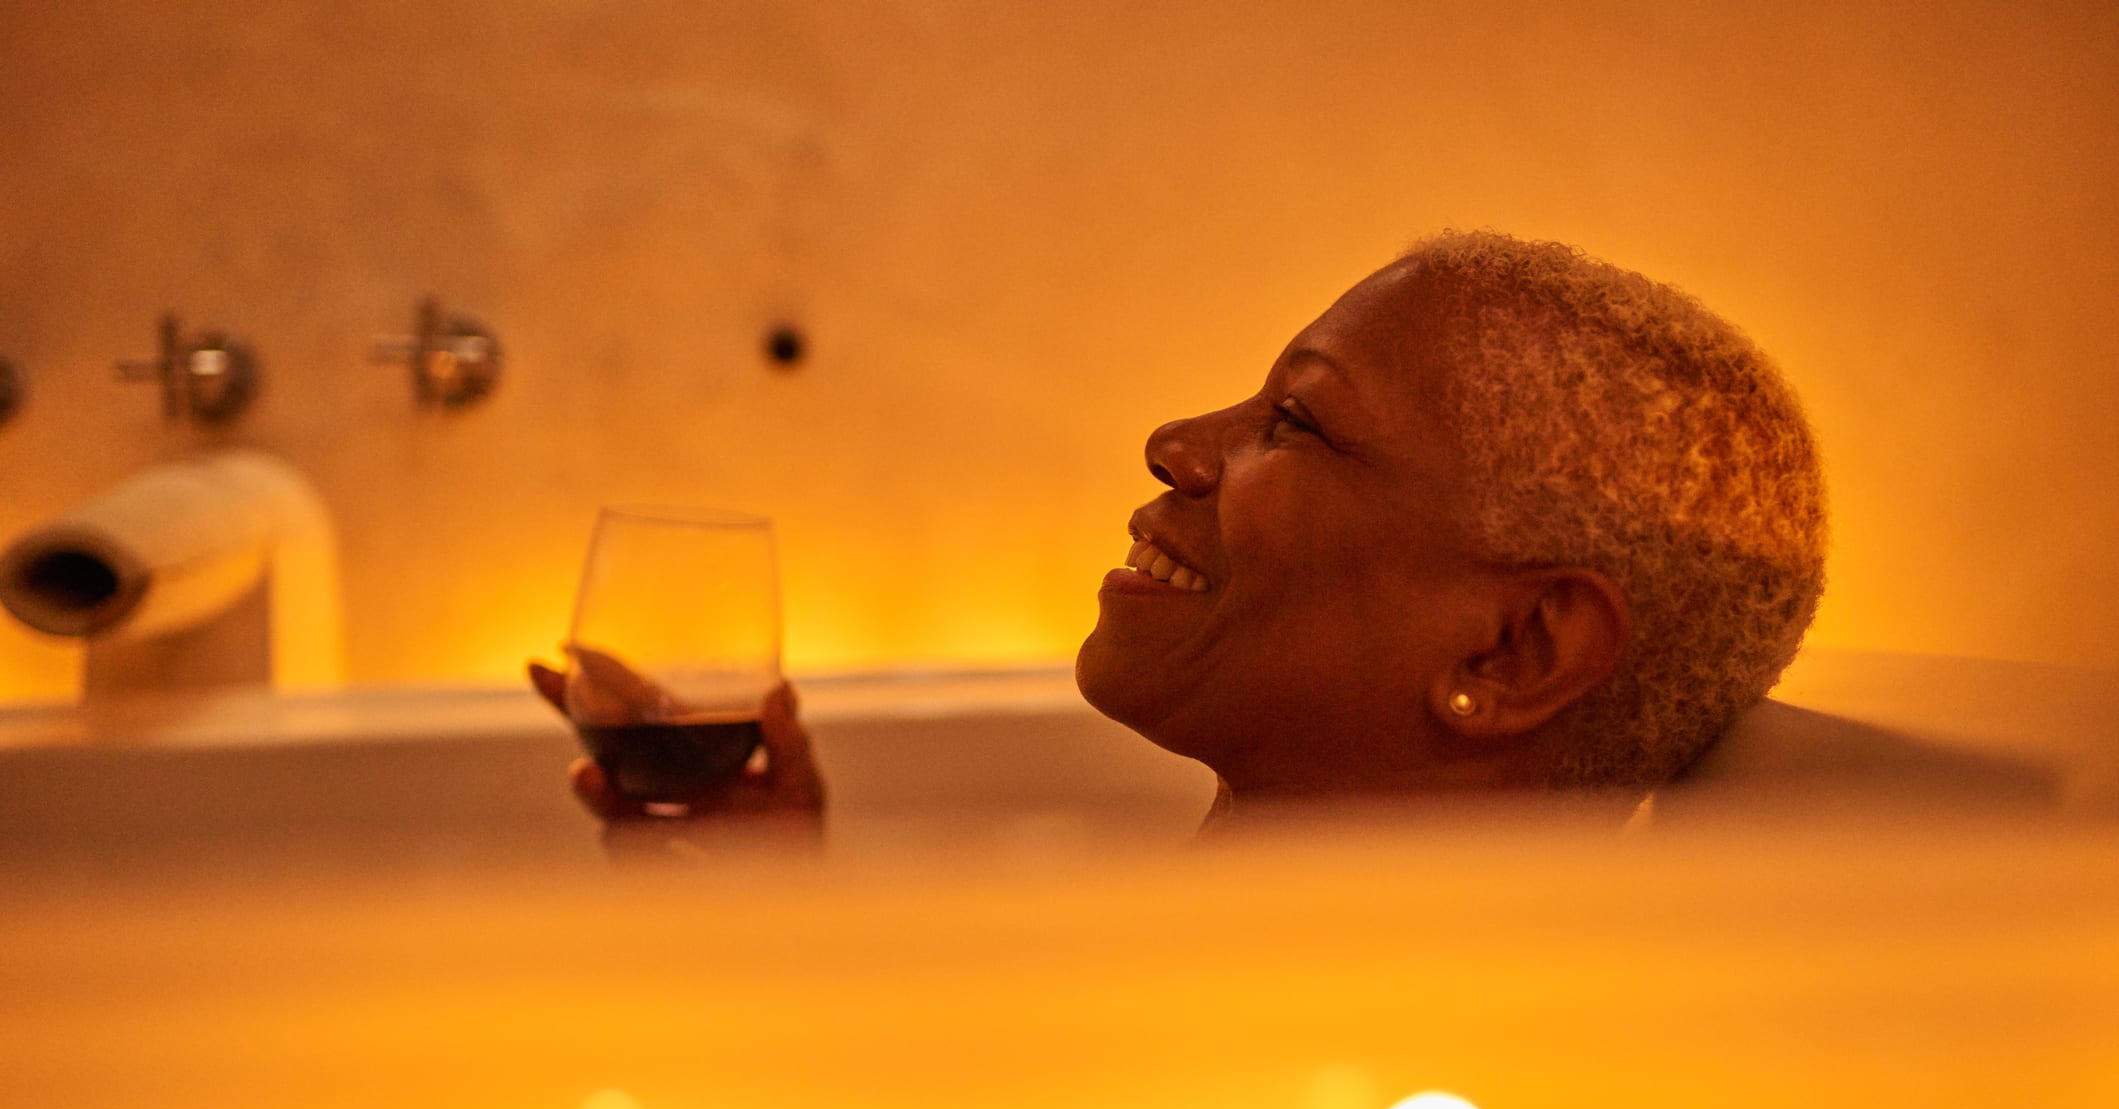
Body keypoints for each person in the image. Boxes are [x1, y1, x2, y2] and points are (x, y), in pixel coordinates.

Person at [531, 230, 1826, 838]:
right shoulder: (1211, 1019)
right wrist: (767, 940)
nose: (1175, 441)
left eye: (1299, 424)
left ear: (1517, 645)